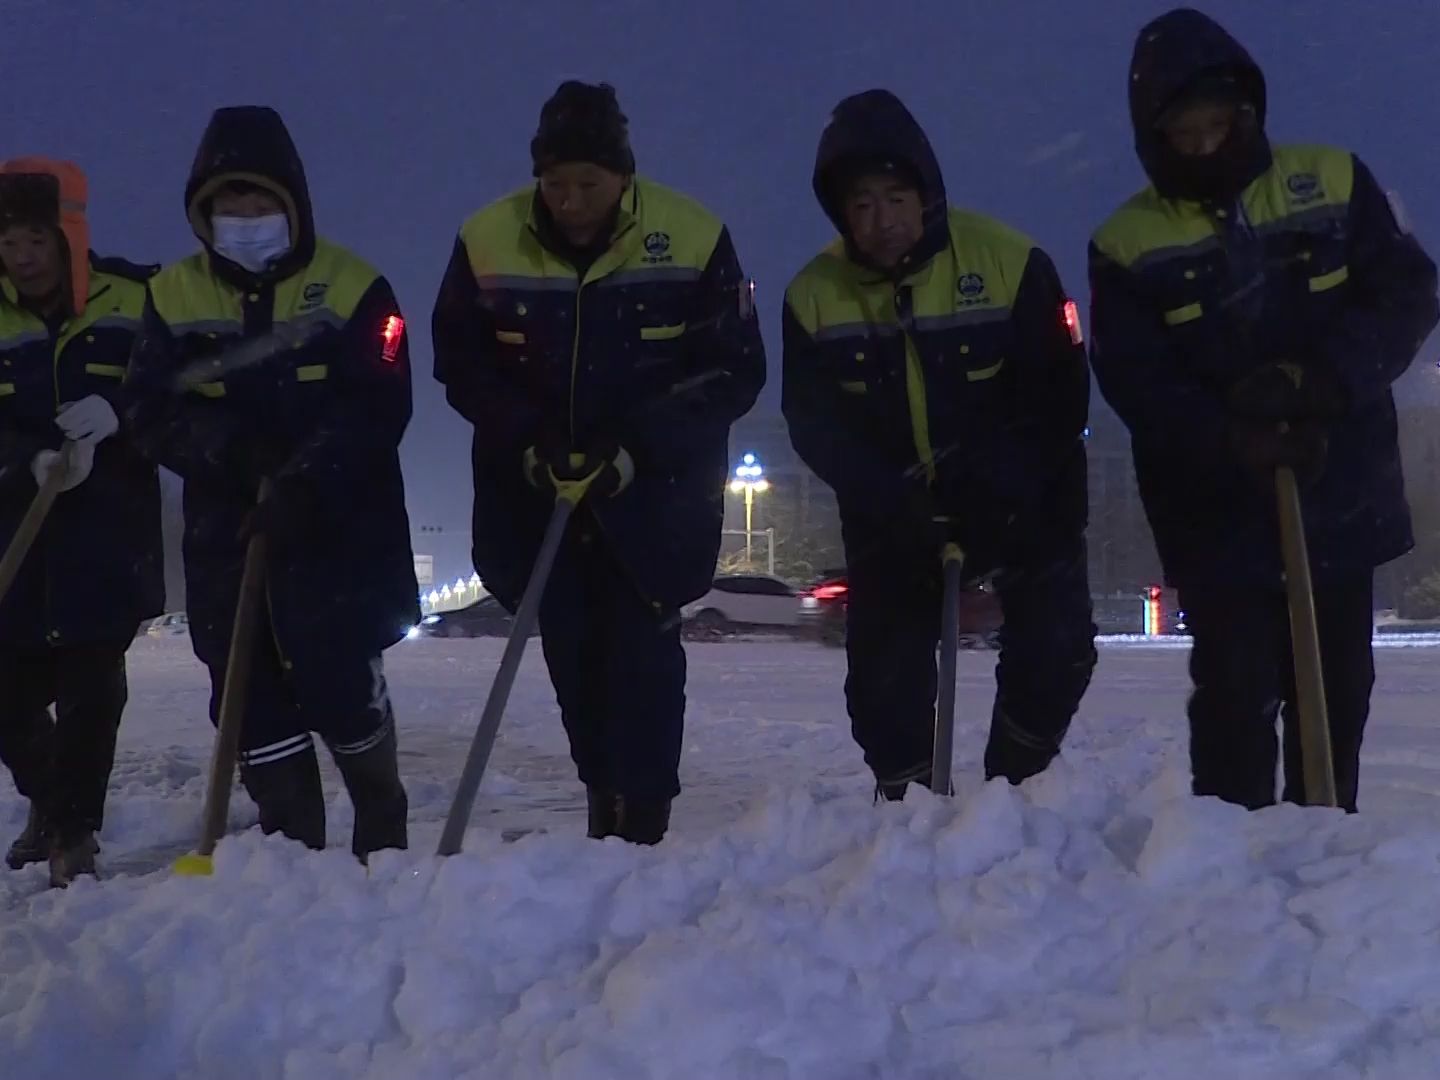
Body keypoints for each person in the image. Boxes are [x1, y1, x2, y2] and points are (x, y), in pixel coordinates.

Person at [1090, 8, 1439, 812]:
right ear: (1156, 136)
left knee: (1336, 683)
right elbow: (1137, 380)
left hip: (1339, 486)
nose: (1209, 144)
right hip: (1215, 510)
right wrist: (1230, 436)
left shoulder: (1334, 183)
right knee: (1235, 691)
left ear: (1249, 112)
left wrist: (1321, 385)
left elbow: (1406, 294)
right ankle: (1235, 851)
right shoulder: (1128, 241)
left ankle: (1324, 832)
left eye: (1222, 124)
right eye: (1188, 132)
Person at [433, 80, 766, 844]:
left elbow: (731, 368)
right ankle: (600, 796)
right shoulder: (488, 239)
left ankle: (643, 817)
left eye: (589, 184)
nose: (571, 202)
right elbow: (461, 358)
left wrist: (636, 445)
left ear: (625, 177)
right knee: (575, 659)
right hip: (536, 497)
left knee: (643, 663)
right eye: (555, 185)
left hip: (654, 501)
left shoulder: (691, 236)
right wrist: (528, 436)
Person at [782, 89, 1097, 801]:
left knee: (1056, 650)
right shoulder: (813, 295)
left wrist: (995, 488)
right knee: (882, 681)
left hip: (1022, 504)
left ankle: (1012, 789)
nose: (881, 220)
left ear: (926, 192)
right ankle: (907, 803)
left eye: (895, 198)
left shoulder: (1012, 263)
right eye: (861, 205)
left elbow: (1056, 395)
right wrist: (896, 502)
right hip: (892, 516)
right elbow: (815, 422)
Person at [125, 106, 418, 859]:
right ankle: (292, 855)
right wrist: (231, 452)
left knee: (338, 677)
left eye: (260, 202)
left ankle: (381, 818)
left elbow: (378, 401)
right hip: (229, 536)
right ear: (203, 212)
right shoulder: (172, 296)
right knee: (247, 692)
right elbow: (150, 407)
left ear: (293, 204)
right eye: (229, 204)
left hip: (337, 533)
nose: (245, 217)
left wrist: (306, 478)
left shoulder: (353, 286)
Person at [0, 159, 163, 887]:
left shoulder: (136, 296)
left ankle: (74, 834)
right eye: (5, 242)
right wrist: (24, 457)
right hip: (17, 538)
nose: (20, 257)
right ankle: (49, 799)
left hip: (108, 537)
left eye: (33, 238)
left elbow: (178, 387)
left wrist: (122, 415)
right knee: (7, 695)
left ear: (66, 234)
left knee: (92, 690)